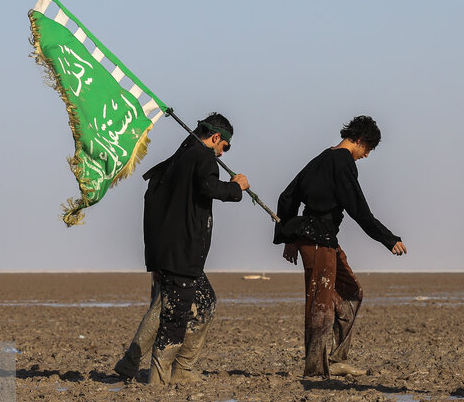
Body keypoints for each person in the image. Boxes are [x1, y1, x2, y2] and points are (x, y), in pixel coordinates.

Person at [114, 113, 249, 386]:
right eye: (225, 146)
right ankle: (166, 374)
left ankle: (131, 362)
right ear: (215, 138)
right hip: (183, 252)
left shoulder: (179, 158)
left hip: (165, 250)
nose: (224, 153)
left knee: (176, 302)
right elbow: (208, 186)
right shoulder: (203, 157)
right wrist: (236, 188)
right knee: (176, 312)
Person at [274, 116, 407, 379]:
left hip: (323, 240)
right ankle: (315, 369)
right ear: (358, 140)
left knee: (351, 294)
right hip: (316, 242)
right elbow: (358, 208)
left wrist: (289, 235)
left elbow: (287, 197)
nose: (366, 155)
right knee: (320, 305)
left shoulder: (322, 158)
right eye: (367, 149)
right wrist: (388, 238)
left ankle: (335, 359)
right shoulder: (341, 161)